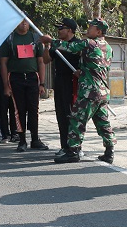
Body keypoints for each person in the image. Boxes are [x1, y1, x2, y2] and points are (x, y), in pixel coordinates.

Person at [40, 18, 116, 164]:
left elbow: (71, 47)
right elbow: (97, 67)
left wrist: (51, 41)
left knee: (76, 120)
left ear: (99, 31)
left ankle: (73, 151)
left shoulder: (90, 43)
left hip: (89, 91)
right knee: (103, 122)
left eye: (91, 27)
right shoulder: (108, 47)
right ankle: (109, 151)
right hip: (102, 91)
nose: (88, 29)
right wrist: (83, 71)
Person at [0, 19, 49, 152]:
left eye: (26, 21)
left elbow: (40, 61)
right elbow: (3, 63)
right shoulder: (9, 40)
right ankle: (22, 140)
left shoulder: (35, 38)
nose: (24, 23)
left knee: (33, 109)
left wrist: (42, 83)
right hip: (16, 78)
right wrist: (5, 85)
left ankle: (35, 139)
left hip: (32, 78)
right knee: (19, 110)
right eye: (21, 21)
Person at [42, 18, 80, 156]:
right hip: (60, 83)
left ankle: (75, 146)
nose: (59, 31)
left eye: (61, 28)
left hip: (73, 83)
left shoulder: (78, 44)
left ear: (69, 30)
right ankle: (64, 146)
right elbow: (46, 60)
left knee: (73, 116)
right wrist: (47, 47)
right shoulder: (57, 46)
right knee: (61, 115)